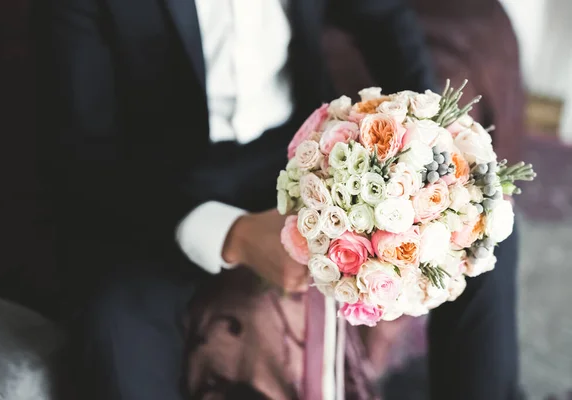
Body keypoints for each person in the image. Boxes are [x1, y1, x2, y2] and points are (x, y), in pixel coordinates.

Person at [33, 0, 519, 399]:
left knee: (476, 226)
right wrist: (234, 235)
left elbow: (385, 17)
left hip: (295, 147)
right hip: (159, 183)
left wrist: (430, 137)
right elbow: (85, 156)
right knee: (116, 324)